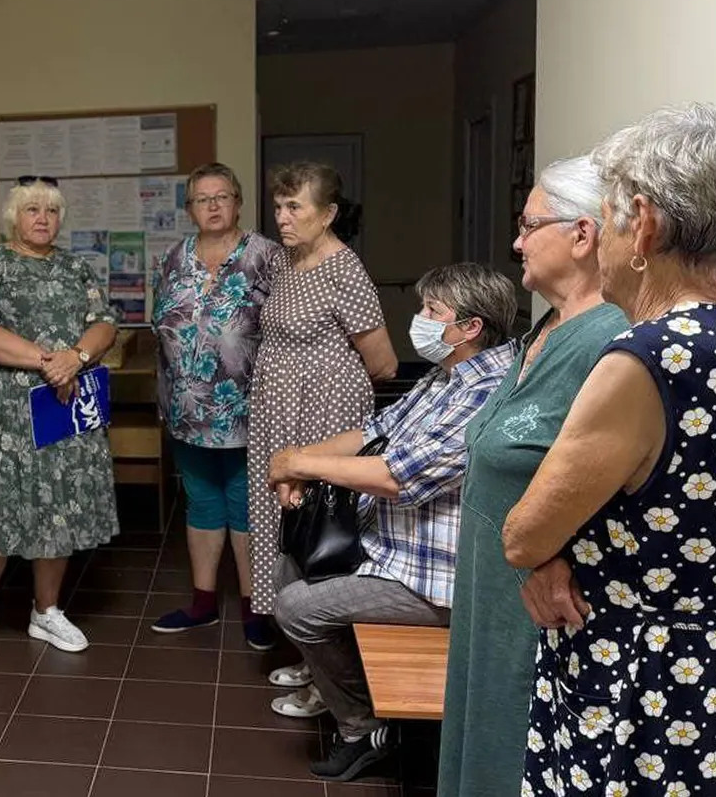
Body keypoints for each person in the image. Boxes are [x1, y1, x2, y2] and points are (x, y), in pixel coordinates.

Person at [502, 104, 716, 795]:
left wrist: (545, 550)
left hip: (644, 699)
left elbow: (524, 535)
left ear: (641, 224)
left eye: (608, 214)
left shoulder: (649, 359)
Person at [266, 263, 518, 781]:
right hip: (391, 546)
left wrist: (300, 465)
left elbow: (398, 477)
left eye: (433, 311)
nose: (419, 319)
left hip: (434, 580)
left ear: (470, 327)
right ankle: (333, 682)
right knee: (288, 567)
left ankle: (363, 730)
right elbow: (371, 432)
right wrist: (295, 457)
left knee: (296, 607)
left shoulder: (485, 392)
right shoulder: (447, 374)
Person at [437, 157, 629, 796]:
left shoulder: (612, 340)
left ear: (583, 234)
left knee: (515, 754)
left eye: (529, 225)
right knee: (478, 734)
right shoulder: (544, 330)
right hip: (490, 588)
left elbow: (616, 481)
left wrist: (553, 557)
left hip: (540, 606)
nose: (516, 242)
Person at [0, 177, 119, 669]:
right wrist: (53, 360)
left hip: (64, 408)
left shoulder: (75, 267)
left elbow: (106, 322)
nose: (42, 218)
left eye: (50, 210)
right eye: (31, 209)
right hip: (1, 414)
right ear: (14, 218)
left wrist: (78, 355)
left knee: (59, 506)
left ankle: (45, 611)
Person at [247, 161, 397, 628]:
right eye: (278, 207)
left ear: (328, 213)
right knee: (282, 519)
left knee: (319, 524)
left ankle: (327, 637)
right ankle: (299, 635)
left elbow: (385, 364)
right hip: (276, 411)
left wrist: (326, 386)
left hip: (323, 415)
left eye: (295, 207)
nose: (282, 218)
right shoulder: (283, 262)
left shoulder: (344, 271)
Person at [149, 162, 282, 648]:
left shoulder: (266, 255)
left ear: (238, 201)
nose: (212, 206)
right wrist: (162, 398)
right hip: (185, 408)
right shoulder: (170, 258)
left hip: (250, 409)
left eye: (221, 196)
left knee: (247, 504)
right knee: (201, 501)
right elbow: (157, 329)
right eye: (201, 199)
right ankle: (202, 604)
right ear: (189, 209)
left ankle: (254, 610)